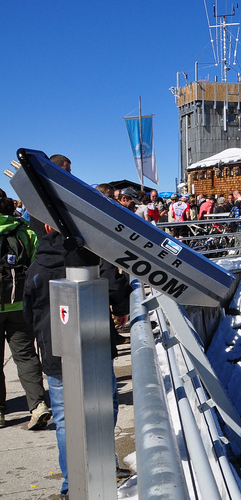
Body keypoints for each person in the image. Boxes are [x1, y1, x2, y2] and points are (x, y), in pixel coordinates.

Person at [23, 221, 132, 496]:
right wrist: (120, 308)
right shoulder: (88, 251)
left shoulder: (36, 268)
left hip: (55, 353)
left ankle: (72, 484)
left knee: (63, 418)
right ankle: (104, 465)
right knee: (104, 405)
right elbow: (115, 285)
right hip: (94, 346)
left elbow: (28, 315)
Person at [0, 188, 50, 430]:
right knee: (26, 355)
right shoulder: (25, 231)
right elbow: (37, 264)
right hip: (19, 303)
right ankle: (37, 404)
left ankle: (0, 413)